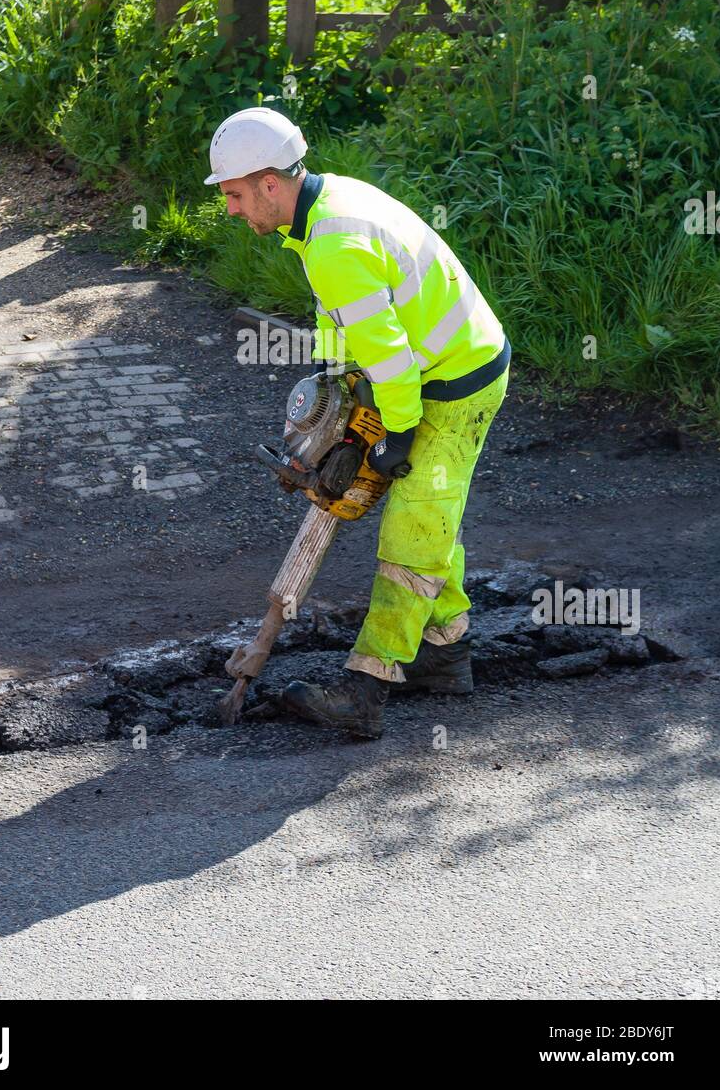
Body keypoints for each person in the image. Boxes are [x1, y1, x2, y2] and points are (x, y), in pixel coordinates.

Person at [205, 106, 510, 738]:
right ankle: (444, 650)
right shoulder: (325, 209)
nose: (230, 208)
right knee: (431, 515)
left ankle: (366, 690)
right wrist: (340, 395)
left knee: (413, 528)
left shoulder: (335, 244)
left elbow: (391, 358)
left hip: (456, 382)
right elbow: (348, 325)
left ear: (268, 182)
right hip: (430, 368)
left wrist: (392, 436)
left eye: (233, 194)